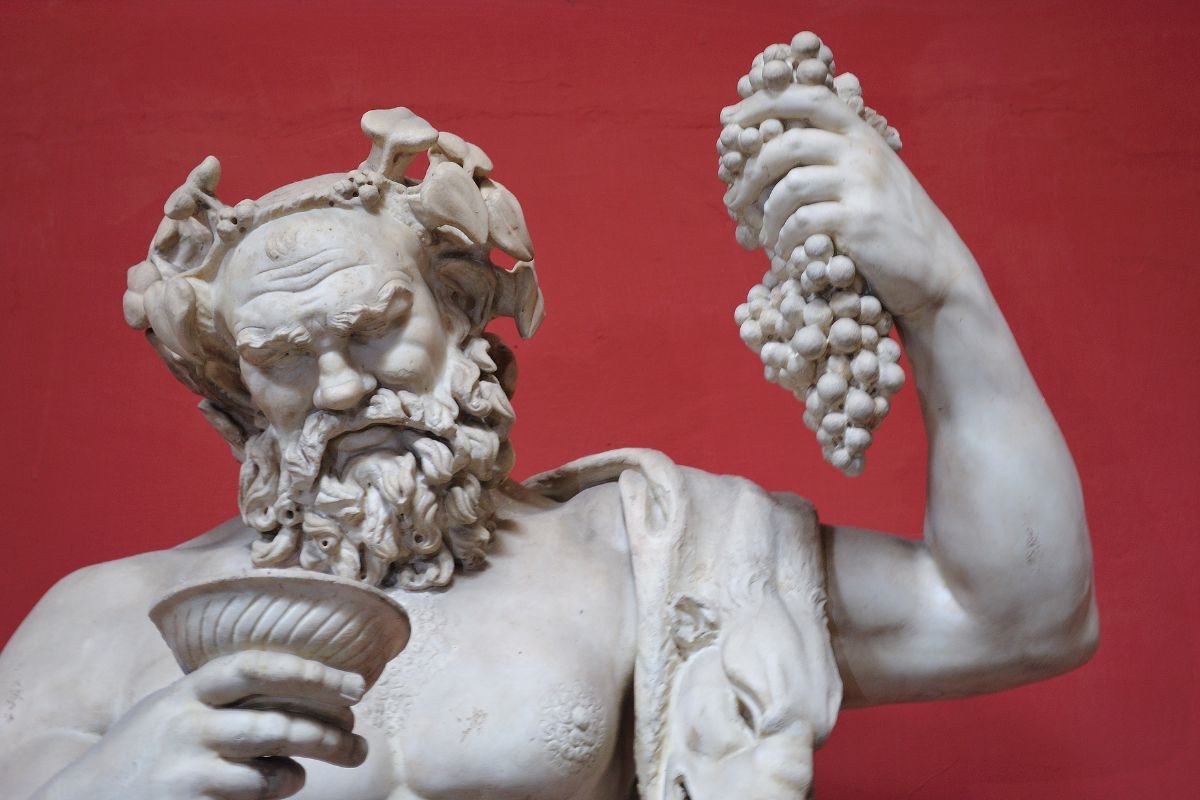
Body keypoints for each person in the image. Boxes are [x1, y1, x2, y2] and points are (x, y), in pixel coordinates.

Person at [0, 44, 1097, 800]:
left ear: (464, 312)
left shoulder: (649, 558)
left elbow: (1018, 613)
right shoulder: (104, 623)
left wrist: (946, 295)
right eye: (285, 362)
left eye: (376, 330)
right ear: (238, 390)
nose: (337, 389)